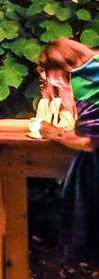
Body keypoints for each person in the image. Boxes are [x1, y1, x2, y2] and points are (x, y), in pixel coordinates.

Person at [36, 37, 99, 261]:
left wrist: (54, 133)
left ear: (60, 67)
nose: (59, 86)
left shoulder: (85, 78)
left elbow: (89, 142)